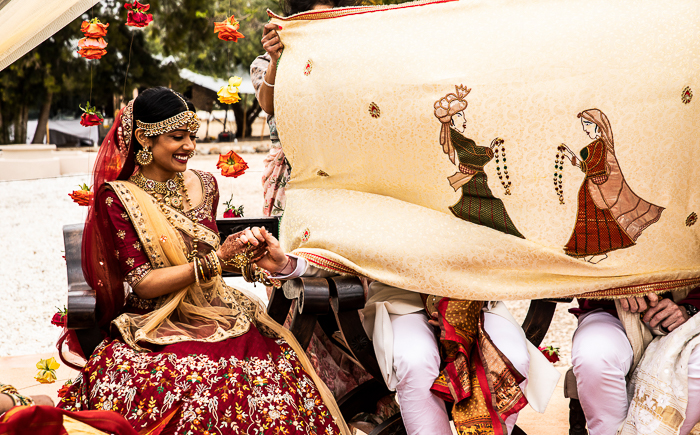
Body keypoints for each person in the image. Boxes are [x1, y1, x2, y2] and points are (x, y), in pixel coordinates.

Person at [56, 87, 349, 435]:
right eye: (176, 137)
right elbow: (146, 283)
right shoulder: (119, 197)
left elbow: (208, 257)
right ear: (143, 138)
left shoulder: (206, 184)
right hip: (153, 319)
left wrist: (251, 260)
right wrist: (218, 259)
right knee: (189, 386)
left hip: (220, 309)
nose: (189, 147)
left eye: (192, 137)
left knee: (267, 378)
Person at [235, 226, 552, 435]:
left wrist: (456, 307)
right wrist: (288, 265)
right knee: (415, 362)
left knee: (512, 358)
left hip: (473, 297)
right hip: (401, 299)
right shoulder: (379, 166)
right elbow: (339, 250)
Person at [251, 0, 375, 403]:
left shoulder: (347, 61)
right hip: (292, 183)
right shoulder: (269, 62)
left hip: (339, 180)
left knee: (342, 275)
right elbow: (269, 106)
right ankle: (307, 383)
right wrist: (276, 58)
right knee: (295, 278)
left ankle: (360, 383)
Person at [570, 290, 700, 434]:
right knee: (594, 359)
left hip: (686, 313)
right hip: (610, 311)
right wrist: (615, 282)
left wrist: (691, 307)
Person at [562, 109, 664, 263]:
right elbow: (588, 166)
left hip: (596, 192)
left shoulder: (600, 145)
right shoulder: (598, 145)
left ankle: (598, 253)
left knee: (597, 221)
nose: (585, 129)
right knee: (593, 222)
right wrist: (571, 155)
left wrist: (573, 158)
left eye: (588, 124)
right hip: (592, 191)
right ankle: (592, 252)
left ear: (598, 125)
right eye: (584, 125)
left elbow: (595, 168)